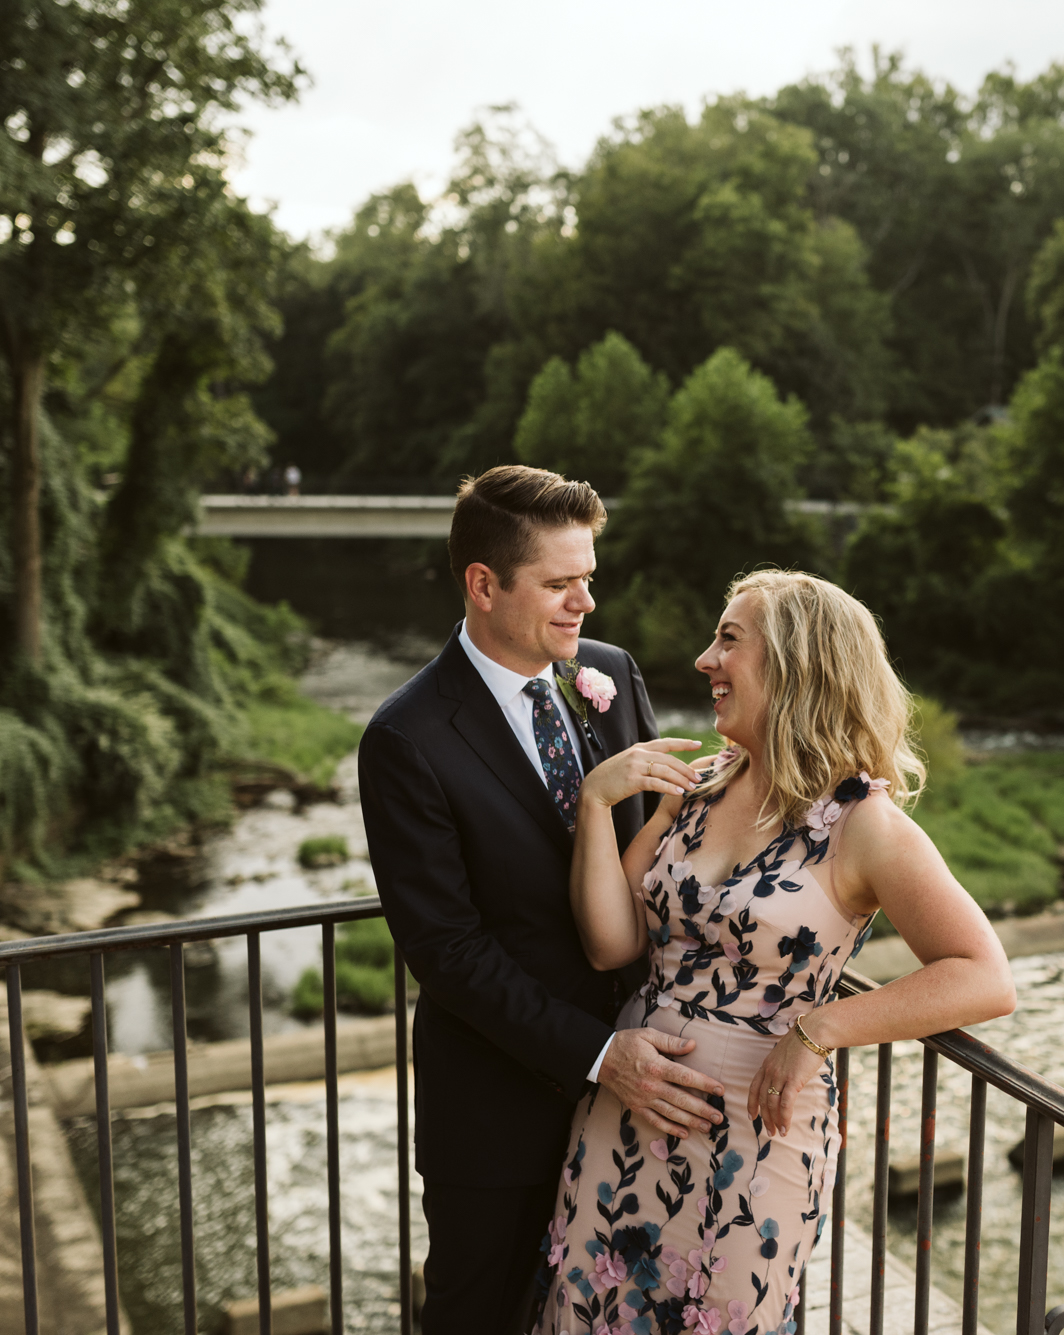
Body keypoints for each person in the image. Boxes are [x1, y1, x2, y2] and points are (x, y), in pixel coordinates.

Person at [535, 570, 1016, 1335]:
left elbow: (984, 976)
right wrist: (598, 803)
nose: (704, 659)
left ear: (796, 663)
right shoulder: (697, 789)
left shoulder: (865, 823)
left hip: (755, 1143)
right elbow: (611, 943)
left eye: (729, 639)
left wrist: (817, 1029)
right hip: (627, 1113)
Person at [361, 466, 733, 1333]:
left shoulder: (607, 673)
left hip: (648, 1104)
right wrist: (603, 1054)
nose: (586, 604)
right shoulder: (404, 738)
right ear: (483, 585)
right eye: (561, 584)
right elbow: (447, 952)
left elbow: (669, 849)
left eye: (589, 578)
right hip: (498, 1115)